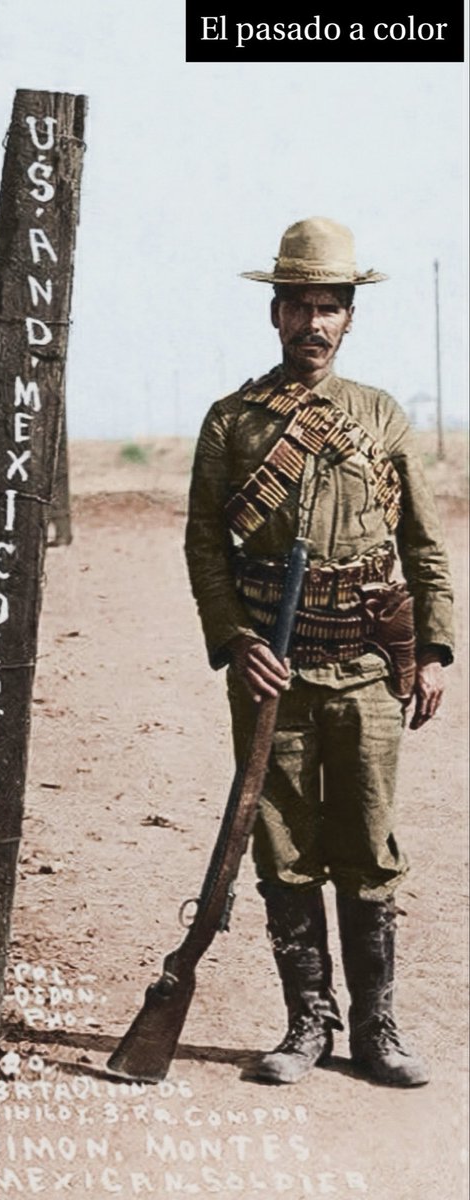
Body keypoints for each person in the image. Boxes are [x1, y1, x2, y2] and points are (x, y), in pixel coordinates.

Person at [184, 217, 453, 1088]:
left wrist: (437, 649)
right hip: (275, 671)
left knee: (368, 846)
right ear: (274, 312)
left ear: (350, 316)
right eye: (299, 305)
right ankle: (308, 1026)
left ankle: (378, 1030)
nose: (314, 323)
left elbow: (425, 545)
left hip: (370, 670)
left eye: (330, 306)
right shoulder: (233, 422)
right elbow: (203, 547)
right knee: (283, 847)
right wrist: (234, 640)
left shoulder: (380, 418)